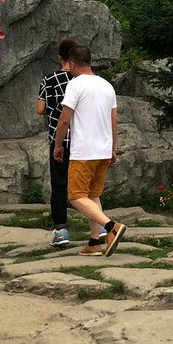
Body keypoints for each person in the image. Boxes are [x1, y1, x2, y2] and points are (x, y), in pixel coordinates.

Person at [52, 45, 126, 257]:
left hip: (84, 151)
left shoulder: (76, 85)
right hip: (103, 150)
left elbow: (64, 118)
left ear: (73, 63)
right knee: (92, 195)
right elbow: (114, 121)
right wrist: (112, 149)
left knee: (75, 196)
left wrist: (58, 145)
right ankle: (94, 242)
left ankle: (111, 226)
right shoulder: (106, 86)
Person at [36, 37, 77, 247]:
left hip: (59, 140)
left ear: (60, 57)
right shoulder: (82, 80)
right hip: (82, 141)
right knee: (87, 187)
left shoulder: (49, 80)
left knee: (59, 185)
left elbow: (40, 109)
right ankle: (100, 227)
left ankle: (61, 230)